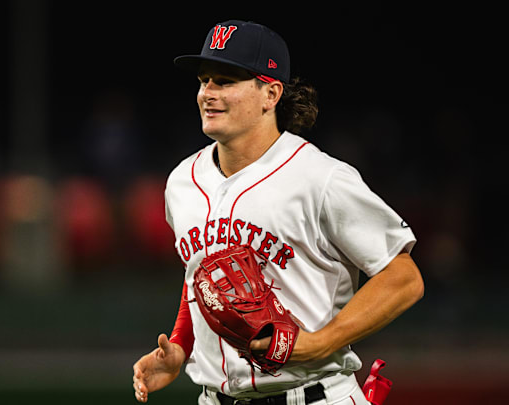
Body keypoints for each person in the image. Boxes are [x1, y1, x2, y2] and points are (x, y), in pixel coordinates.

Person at [132, 20, 424, 405]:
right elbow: (199, 276)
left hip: (315, 395)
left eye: (226, 81)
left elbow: (404, 277)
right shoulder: (182, 181)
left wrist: (322, 342)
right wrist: (182, 346)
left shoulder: (320, 178)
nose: (208, 94)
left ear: (270, 93)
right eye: (204, 81)